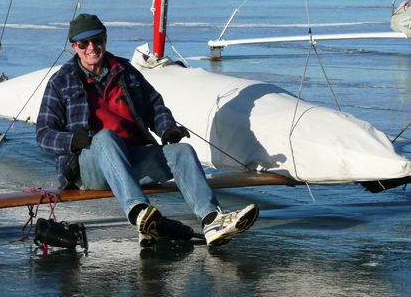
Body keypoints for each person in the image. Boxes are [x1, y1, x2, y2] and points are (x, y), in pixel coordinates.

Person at [36, 13, 259, 247]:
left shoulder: (124, 70)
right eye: (84, 44)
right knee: (105, 137)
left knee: (182, 151)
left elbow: (154, 105)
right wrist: (71, 140)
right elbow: (43, 134)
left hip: (131, 158)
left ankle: (212, 220)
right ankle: (139, 211)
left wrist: (166, 128)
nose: (92, 47)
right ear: (74, 46)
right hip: (89, 166)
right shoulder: (61, 82)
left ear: (105, 38)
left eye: (97, 40)